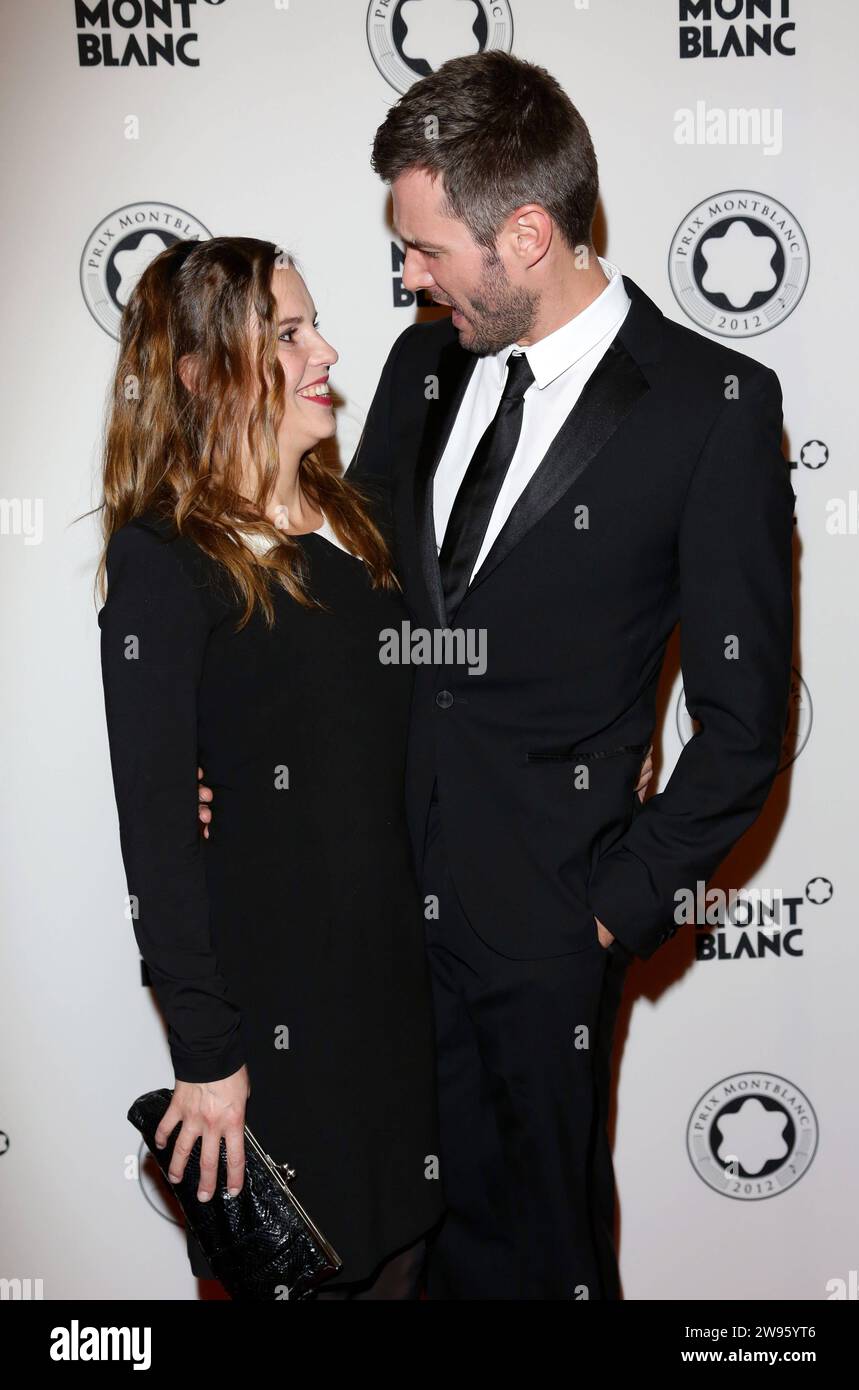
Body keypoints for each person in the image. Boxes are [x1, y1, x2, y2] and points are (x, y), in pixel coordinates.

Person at [343, 51, 794, 1299]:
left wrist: (607, 907)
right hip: (374, 914)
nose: (407, 275)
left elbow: (745, 720)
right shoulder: (417, 369)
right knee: (381, 1256)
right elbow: (363, 618)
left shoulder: (709, 404)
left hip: (543, 935)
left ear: (526, 233)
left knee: (536, 1265)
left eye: (428, 249)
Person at [96, 236, 445, 1298]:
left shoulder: (364, 521)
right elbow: (156, 824)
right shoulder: (166, 559)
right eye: (286, 334)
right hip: (276, 1028)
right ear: (201, 373)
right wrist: (205, 1053)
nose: (326, 350)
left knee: (410, 1258)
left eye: (312, 325)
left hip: (405, 1002)